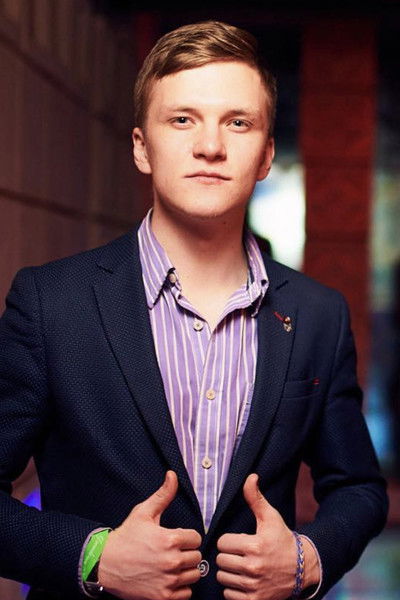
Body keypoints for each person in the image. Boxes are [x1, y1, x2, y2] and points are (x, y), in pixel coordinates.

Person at [0, 20, 388, 600]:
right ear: (141, 147)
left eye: (238, 122)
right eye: (182, 119)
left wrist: (306, 559)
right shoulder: (51, 301)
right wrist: (94, 556)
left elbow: (359, 488)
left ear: (266, 155)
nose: (211, 146)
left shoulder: (318, 315)